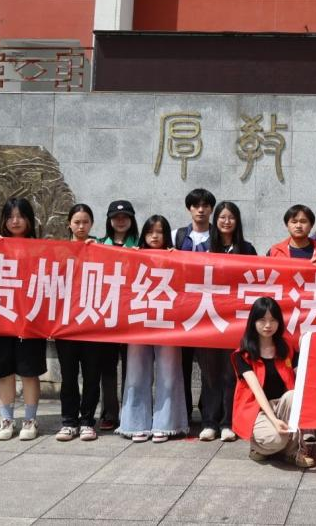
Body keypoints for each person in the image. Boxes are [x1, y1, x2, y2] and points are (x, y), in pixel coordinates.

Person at [117, 215, 189, 443]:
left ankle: (166, 424)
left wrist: (178, 260)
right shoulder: (133, 256)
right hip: (138, 322)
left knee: (169, 374)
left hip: (168, 323)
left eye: (159, 232)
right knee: (135, 374)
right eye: (150, 232)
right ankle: (134, 424)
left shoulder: (176, 257)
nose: (155, 236)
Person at [0, 198, 45, 441]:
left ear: (29, 219)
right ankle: (6, 420)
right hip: (0, 316)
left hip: (29, 319)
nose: (15, 221)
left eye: (20, 216)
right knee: (4, 372)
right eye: (10, 217)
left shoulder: (40, 248)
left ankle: (30, 419)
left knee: (29, 372)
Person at [231, 297, 314, 468]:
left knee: (293, 395)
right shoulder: (243, 355)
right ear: (253, 322)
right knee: (276, 440)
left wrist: (304, 347)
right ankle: (258, 448)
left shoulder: (286, 348)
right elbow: (257, 392)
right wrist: (274, 421)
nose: (268, 325)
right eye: (262, 320)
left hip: (282, 404)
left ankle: (294, 451)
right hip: (258, 409)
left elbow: (302, 377)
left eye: (273, 320)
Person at [174, 188, 227, 440]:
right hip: (181, 313)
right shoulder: (177, 236)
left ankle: (210, 415)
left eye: (206, 205)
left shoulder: (220, 237)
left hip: (209, 312)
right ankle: (183, 414)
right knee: (180, 366)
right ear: (189, 209)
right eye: (196, 205)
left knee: (210, 368)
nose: (201, 210)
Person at [209, 200, 257, 441]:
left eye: (231, 217)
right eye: (222, 217)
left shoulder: (247, 249)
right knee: (210, 374)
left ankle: (228, 422)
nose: (226, 221)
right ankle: (209, 422)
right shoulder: (205, 249)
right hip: (207, 321)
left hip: (237, 322)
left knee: (231, 373)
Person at [56, 204, 101, 442]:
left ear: (91, 224)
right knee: (69, 376)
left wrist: (98, 251)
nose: (81, 226)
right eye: (77, 222)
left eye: (85, 222)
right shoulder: (58, 250)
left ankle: (87, 421)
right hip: (66, 324)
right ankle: (68, 421)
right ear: (69, 224)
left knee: (92, 376)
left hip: (92, 323)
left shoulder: (100, 248)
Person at [98, 200, 139, 431]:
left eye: (125, 217)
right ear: (109, 220)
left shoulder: (141, 246)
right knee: (107, 368)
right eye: (116, 217)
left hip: (132, 316)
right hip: (106, 316)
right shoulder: (97, 245)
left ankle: (130, 412)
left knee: (132, 368)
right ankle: (110, 413)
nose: (120, 221)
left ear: (132, 219)